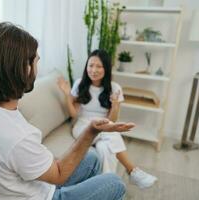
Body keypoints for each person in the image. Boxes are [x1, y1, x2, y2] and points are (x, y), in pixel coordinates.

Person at [0, 22, 135, 200]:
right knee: (115, 183)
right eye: (36, 62)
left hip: (32, 182)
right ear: (23, 68)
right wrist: (92, 131)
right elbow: (59, 175)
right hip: (42, 195)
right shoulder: (16, 135)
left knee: (93, 158)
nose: (37, 69)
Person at [57, 49, 157, 189]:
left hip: (105, 124)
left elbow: (112, 119)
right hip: (83, 126)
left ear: (106, 68)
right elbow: (74, 114)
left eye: (99, 66)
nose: (94, 70)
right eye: (91, 65)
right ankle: (132, 170)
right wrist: (68, 95)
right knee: (110, 132)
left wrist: (115, 105)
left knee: (105, 149)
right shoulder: (80, 84)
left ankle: (105, 187)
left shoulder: (115, 88)